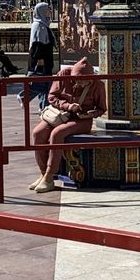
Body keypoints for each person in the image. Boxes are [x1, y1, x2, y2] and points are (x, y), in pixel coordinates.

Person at [29, 55, 105, 193]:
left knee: (57, 134)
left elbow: (102, 108)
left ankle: (49, 176)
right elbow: (52, 96)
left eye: (85, 82)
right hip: (59, 115)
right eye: (79, 81)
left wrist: (90, 114)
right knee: (37, 133)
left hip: (81, 120)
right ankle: (42, 173)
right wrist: (68, 106)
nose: (82, 84)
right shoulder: (63, 75)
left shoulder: (98, 85)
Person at [25, 0, 55, 104]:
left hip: (46, 59)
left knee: (44, 85)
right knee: (44, 84)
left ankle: (42, 105)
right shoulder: (38, 25)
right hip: (41, 61)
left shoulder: (43, 24)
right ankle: (42, 106)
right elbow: (37, 44)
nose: (49, 12)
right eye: (47, 10)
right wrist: (40, 59)